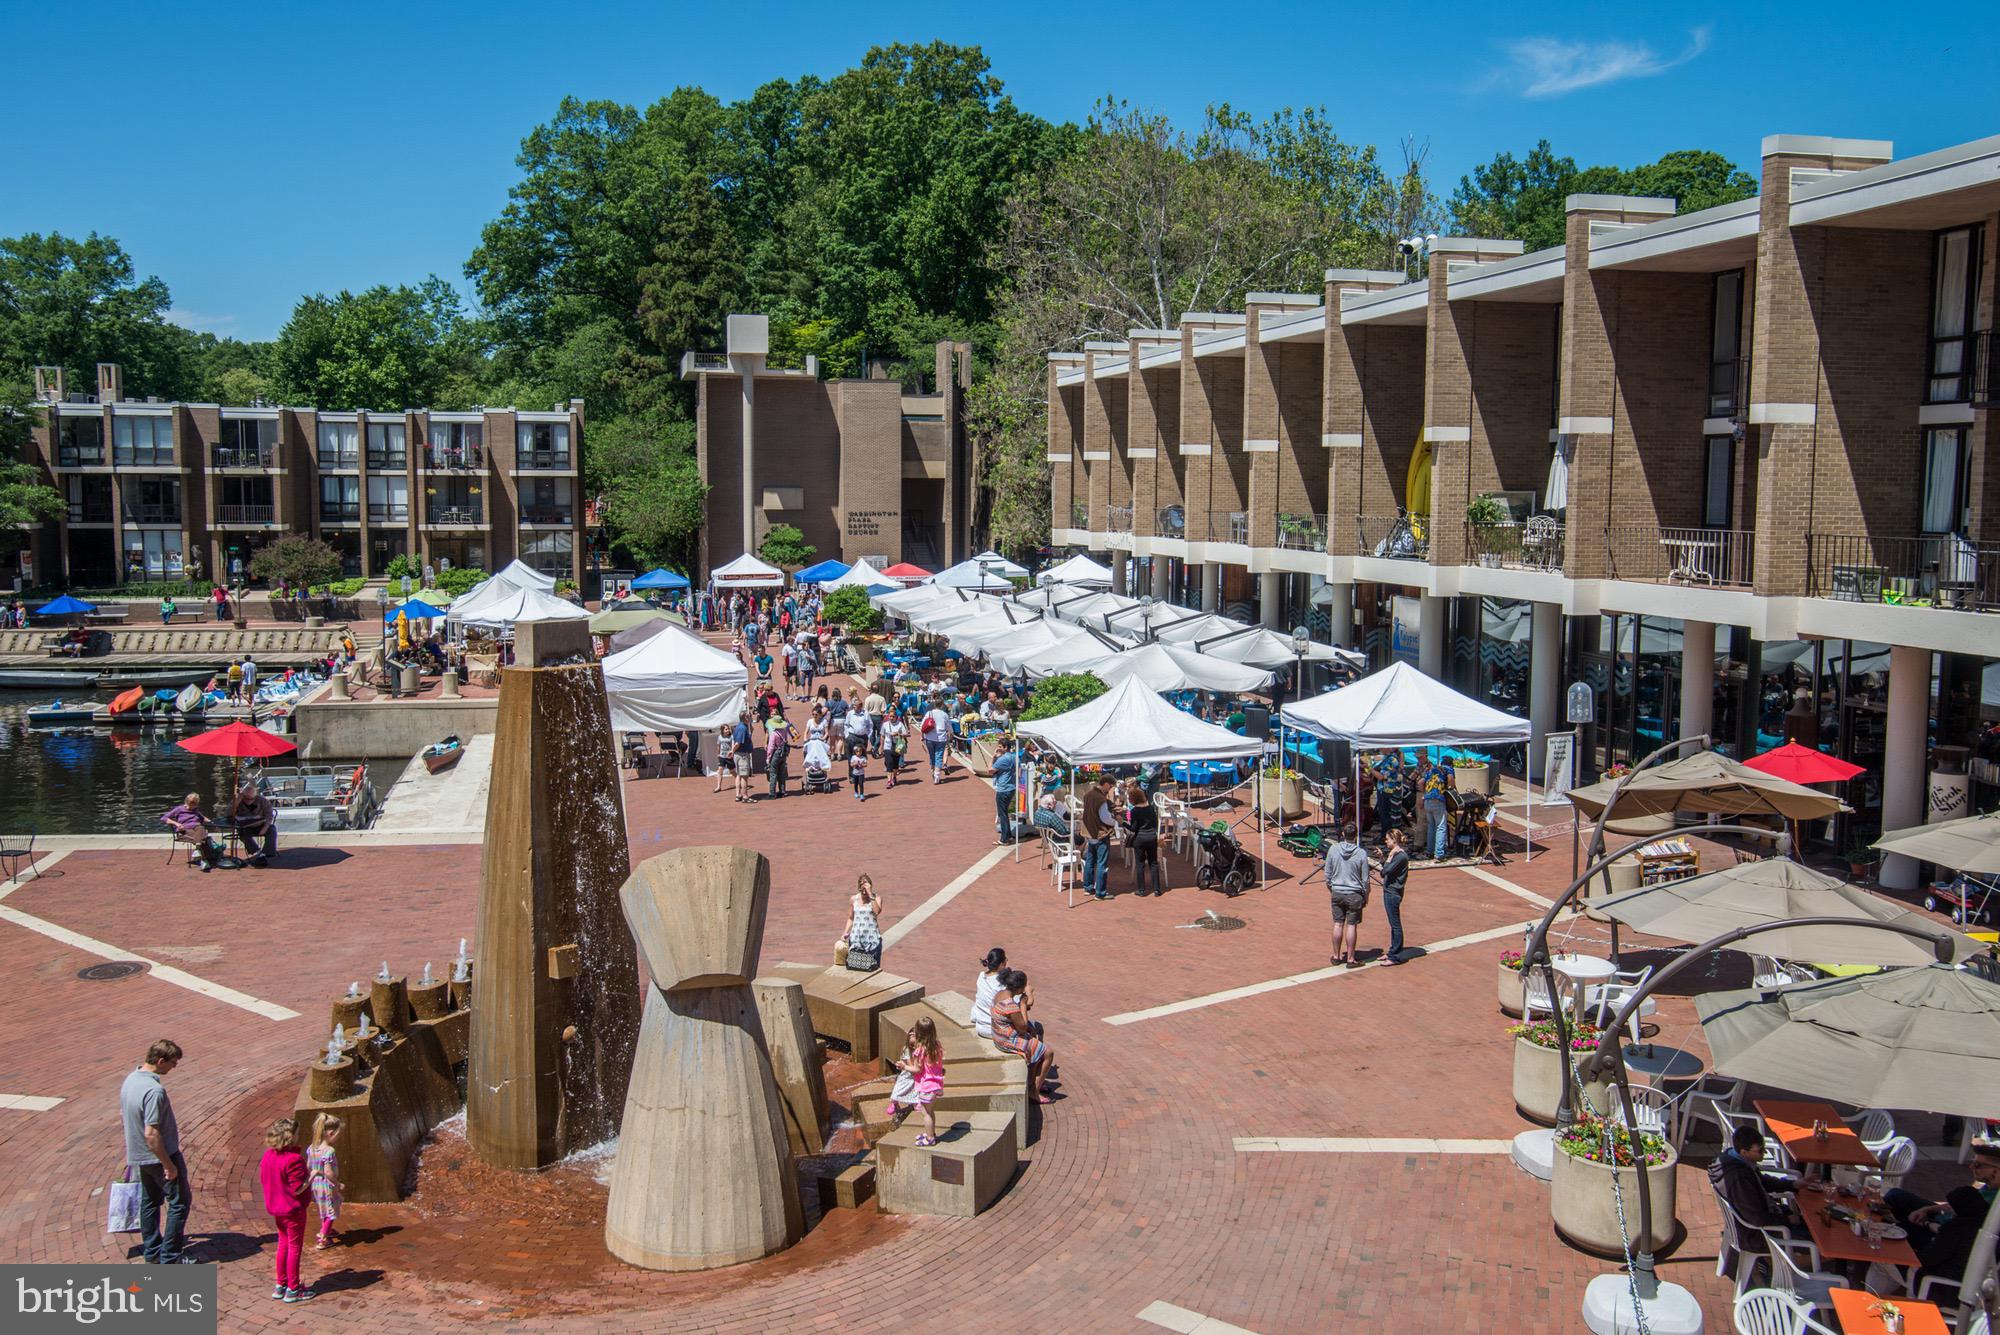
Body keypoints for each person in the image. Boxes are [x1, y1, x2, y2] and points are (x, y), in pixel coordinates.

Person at [1884, 1143, 1999, 1291]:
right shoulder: (1989, 1185)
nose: (1971, 1167)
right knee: (1896, 1196)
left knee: (1898, 1231)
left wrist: (1927, 1224)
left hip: (1947, 1234)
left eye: (1978, 1165)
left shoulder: (1995, 1205)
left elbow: (1964, 1233)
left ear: (1995, 1170)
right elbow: (1958, 1205)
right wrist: (1928, 1209)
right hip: (1946, 1223)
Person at [123, 1039, 193, 1265]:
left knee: (150, 1201)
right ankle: (171, 1256)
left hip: (139, 1155)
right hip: (160, 1154)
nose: (174, 1067)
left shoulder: (131, 1079)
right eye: (173, 1063)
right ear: (161, 1061)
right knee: (179, 1202)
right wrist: (168, 1165)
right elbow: (151, 1133)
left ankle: (152, 1250)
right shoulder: (155, 1091)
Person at [1708, 1125, 1804, 1238]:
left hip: (1767, 1219)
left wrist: (1793, 1184)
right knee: (1816, 1238)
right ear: (1744, 1152)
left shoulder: (1735, 1159)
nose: (1764, 1152)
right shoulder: (1739, 1179)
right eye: (1760, 1150)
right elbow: (1757, 1218)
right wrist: (1787, 1219)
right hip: (1759, 1234)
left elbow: (1761, 1181)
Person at [259, 1117, 315, 1302]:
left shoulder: (268, 1155)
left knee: (283, 1243)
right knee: (294, 1246)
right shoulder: (294, 1160)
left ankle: (280, 1284)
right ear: (291, 1137)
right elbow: (298, 1187)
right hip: (293, 1211)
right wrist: (312, 1176)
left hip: (277, 1209)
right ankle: (293, 1288)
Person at [988, 970, 1055, 1103]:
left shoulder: (1000, 994)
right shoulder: (1010, 1004)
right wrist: (1023, 1004)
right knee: (1048, 1052)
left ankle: (1031, 1082)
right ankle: (1034, 1093)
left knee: (1035, 1038)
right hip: (1007, 1040)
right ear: (1018, 988)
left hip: (998, 1034)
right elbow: (1022, 1027)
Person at [884, 1016, 946, 1146]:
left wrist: (904, 1066)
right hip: (937, 1084)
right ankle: (931, 1133)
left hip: (927, 1086)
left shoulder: (920, 1051)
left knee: (926, 1114)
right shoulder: (937, 1045)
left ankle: (930, 1139)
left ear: (919, 1033)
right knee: (930, 1111)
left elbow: (917, 1069)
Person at [1324, 822, 1371, 967]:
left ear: (1343, 834)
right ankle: (1351, 958)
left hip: (1337, 891)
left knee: (1338, 924)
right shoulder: (1361, 853)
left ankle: (1336, 955)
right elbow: (1365, 879)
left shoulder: (1333, 849)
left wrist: (1332, 889)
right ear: (1355, 836)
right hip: (1354, 893)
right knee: (1351, 925)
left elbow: (1327, 874)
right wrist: (1366, 896)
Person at [307, 1114, 344, 1249]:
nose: (338, 1137)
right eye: (337, 1135)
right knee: (332, 1210)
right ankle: (323, 1237)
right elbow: (328, 1172)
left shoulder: (311, 1148)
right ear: (331, 1133)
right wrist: (338, 1183)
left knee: (324, 1208)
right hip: (326, 1185)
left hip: (315, 1185)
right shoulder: (329, 1151)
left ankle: (328, 1229)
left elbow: (308, 1167)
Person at [162, 793, 225, 871]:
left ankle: (198, 850)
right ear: (186, 802)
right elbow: (164, 818)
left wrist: (212, 822)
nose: (191, 807)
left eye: (194, 805)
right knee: (203, 837)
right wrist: (177, 824)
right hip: (185, 831)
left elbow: (202, 818)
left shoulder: (195, 810)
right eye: (190, 805)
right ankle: (205, 859)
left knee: (201, 828)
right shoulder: (179, 809)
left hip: (197, 829)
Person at [1375, 827, 1411, 965]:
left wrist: (1387, 859)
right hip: (1390, 890)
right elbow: (1387, 870)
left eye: (1388, 839)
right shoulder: (1395, 855)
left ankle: (1395, 956)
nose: (1386, 841)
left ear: (1394, 840)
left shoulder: (1400, 856)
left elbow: (1385, 872)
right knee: (1392, 923)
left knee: (1395, 925)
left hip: (1393, 893)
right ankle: (1392, 951)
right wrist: (1382, 858)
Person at [1079, 781, 1116, 900]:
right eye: (1110, 786)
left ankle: (1088, 887)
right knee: (1102, 864)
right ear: (1105, 784)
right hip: (1099, 834)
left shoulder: (1088, 795)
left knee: (1090, 861)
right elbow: (1105, 818)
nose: (1110, 788)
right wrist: (1114, 820)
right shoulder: (1101, 799)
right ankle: (1100, 893)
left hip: (1090, 833)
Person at [1124, 780, 1162, 896]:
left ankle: (1141, 889)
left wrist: (1123, 823)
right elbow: (1155, 824)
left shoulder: (1135, 811)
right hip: (1151, 837)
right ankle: (1157, 889)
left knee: (1140, 864)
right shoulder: (1150, 808)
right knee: (1153, 863)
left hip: (1139, 838)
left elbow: (1133, 828)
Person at [231, 778, 278, 866]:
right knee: (242, 833)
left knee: (272, 830)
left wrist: (265, 826)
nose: (248, 801)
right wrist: (237, 801)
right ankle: (257, 852)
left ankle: (267, 853)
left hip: (260, 825)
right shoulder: (239, 801)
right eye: (246, 798)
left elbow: (269, 815)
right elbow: (229, 814)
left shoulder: (263, 801)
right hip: (246, 827)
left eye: (251, 799)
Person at [842, 875, 883, 970]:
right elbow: (851, 918)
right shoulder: (853, 899)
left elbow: (877, 911)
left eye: (866, 888)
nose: (864, 891)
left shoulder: (877, 898)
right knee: (855, 968)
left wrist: (869, 893)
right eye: (862, 888)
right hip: (856, 940)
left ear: (871, 886)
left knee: (873, 970)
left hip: (872, 941)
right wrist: (845, 932)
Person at [1417, 754, 1453, 860]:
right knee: (1441, 827)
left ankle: (1429, 851)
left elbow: (1420, 782)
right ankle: (1439, 854)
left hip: (1427, 800)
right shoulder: (1448, 769)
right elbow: (1450, 781)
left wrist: (1425, 794)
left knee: (1431, 826)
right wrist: (1451, 788)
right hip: (1438, 800)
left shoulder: (1432, 770)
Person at [969, 947, 1008, 1039]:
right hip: (995, 1030)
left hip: (980, 1026)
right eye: (1005, 960)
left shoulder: (981, 976)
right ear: (1001, 964)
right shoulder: (1002, 983)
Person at [990, 739, 1021, 845]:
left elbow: (990, 770)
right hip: (1012, 787)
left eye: (1000, 746)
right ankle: (1008, 835)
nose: (998, 748)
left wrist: (994, 757)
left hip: (1003, 789)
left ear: (1005, 747)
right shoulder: (1015, 757)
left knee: (1002, 814)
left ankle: (1004, 839)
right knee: (1005, 813)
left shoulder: (1002, 759)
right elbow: (1019, 770)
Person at [922, 698, 954, 783]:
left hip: (929, 737)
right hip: (941, 738)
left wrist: (923, 736)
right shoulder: (944, 714)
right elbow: (949, 727)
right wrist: (951, 733)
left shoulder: (929, 713)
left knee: (932, 756)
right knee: (939, 756)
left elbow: (922, 725)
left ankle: (933, 771)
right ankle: (937, 776)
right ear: (942, 705)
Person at [730, 710, 754, 803]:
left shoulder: (741, 727)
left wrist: (751, 725)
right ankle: (745, 796)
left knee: (739, 775)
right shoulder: (742, 728)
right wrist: (732, 750)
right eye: (749, 717)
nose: (751, 718)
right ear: (745, 718)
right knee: (744, 776)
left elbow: (750, 732)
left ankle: (738, 794)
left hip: (740, 754)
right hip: (742, 755)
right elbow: (738, 743)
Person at [765, 717, 791, 799]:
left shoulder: (774, 734)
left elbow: (771, 746)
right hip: (783, 753)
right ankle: (782, 791)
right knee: (781, 773)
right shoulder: (784, 732)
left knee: (773, 773)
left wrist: (768, 757)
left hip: (776, 753)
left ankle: (772, 793)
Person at [881, 710, 908, 787]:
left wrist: (897, 734)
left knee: (895, 765)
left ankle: (894, 777)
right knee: (889, 763)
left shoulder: (900, 724)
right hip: (888, 746)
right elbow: (882, 736)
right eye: (890, 716)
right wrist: (881, 747)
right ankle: (889, 781)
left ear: (896, 717)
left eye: (893, 716)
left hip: (897, 746)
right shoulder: (885, 724)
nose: (891, 718)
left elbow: (906, 734)